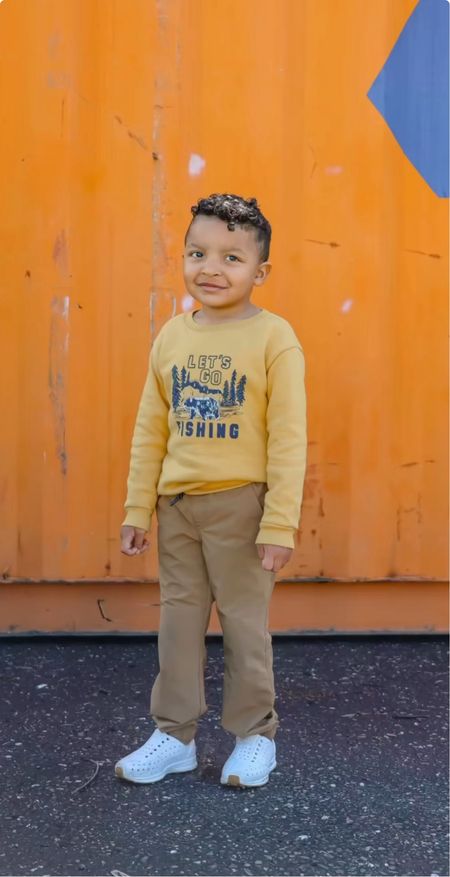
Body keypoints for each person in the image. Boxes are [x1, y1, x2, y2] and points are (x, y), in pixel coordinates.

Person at [115, 193, 307, 787]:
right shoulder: (173, 336)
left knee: (245, 625)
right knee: (178, 623)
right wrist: (137, 507)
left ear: (260, 272)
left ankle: (255, 736)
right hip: (178, 510)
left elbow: (288, 440)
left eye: (231, 257)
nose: (211, 269)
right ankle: (174, 735)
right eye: (197, 253)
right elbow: (151, 429)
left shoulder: (275, 339)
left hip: (242, 507)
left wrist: (279, 523)